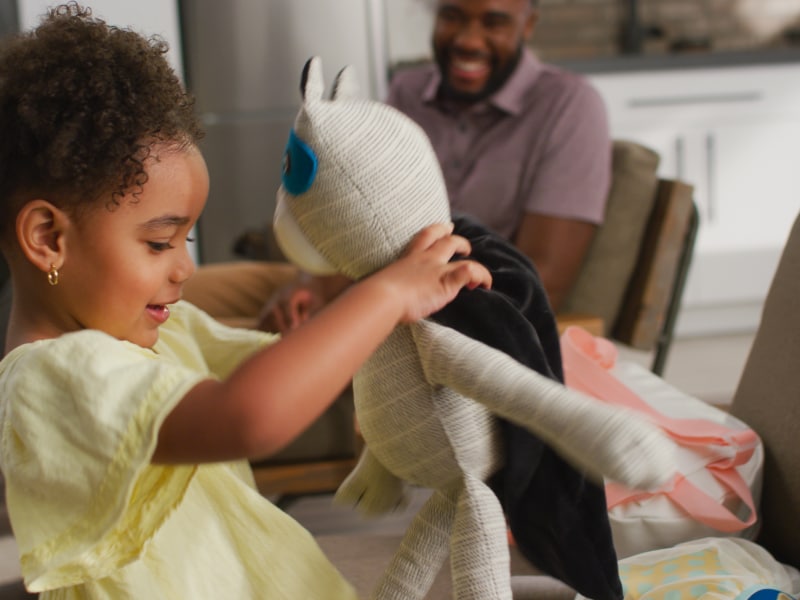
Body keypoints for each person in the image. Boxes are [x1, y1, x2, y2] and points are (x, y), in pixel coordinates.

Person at [0, 4, 491, 598]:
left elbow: (285, 369)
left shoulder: (149, 334)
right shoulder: (51, 380)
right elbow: (247, 415)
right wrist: (384, 295)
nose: (184, 266)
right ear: (49, 239)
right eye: (159, 242)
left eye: (186, 239)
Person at [219, 0, 610, 333]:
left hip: (443, 317)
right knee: (194, 301)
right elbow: (360, 210)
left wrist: (362, 310)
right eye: (453, 16)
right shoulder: (408, 90)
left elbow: (542, 283)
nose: (468, 40)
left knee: (233, 350)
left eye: (494, 22)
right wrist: (311, 285)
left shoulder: (569, 106)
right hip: (363, 280)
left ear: (528, 25)